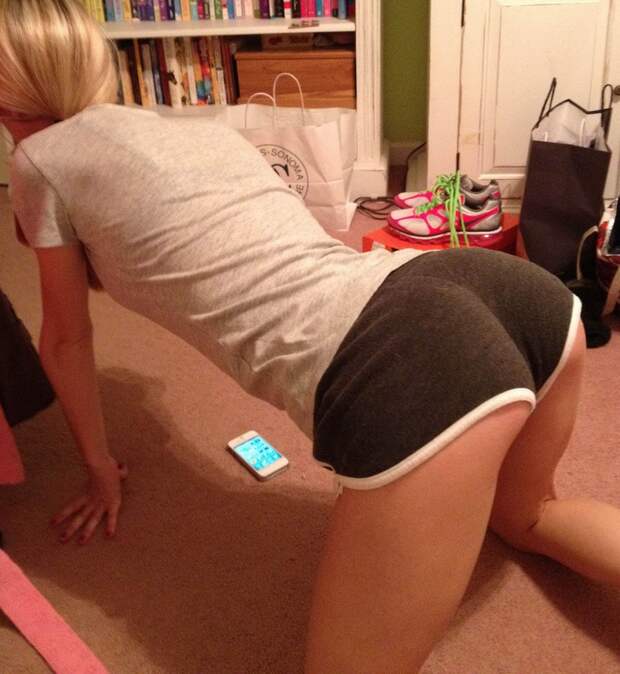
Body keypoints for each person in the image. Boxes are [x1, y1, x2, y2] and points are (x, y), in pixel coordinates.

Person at [0, 1, 619, 671]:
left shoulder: (39, 160)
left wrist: (98, 469)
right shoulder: (196, 131)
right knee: (529, 517)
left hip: (413, 362)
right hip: (504, 292)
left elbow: (66, 340)